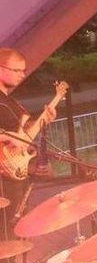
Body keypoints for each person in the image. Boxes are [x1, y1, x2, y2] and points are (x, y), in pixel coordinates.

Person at [0, 48, 57, 248]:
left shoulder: (9, 103)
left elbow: (23, 140)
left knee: (13, 240)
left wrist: (43, 121)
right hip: (3, 188)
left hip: (15, 182)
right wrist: (6, 136)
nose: (22, 75)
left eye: (23, 70)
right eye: (17, 70)